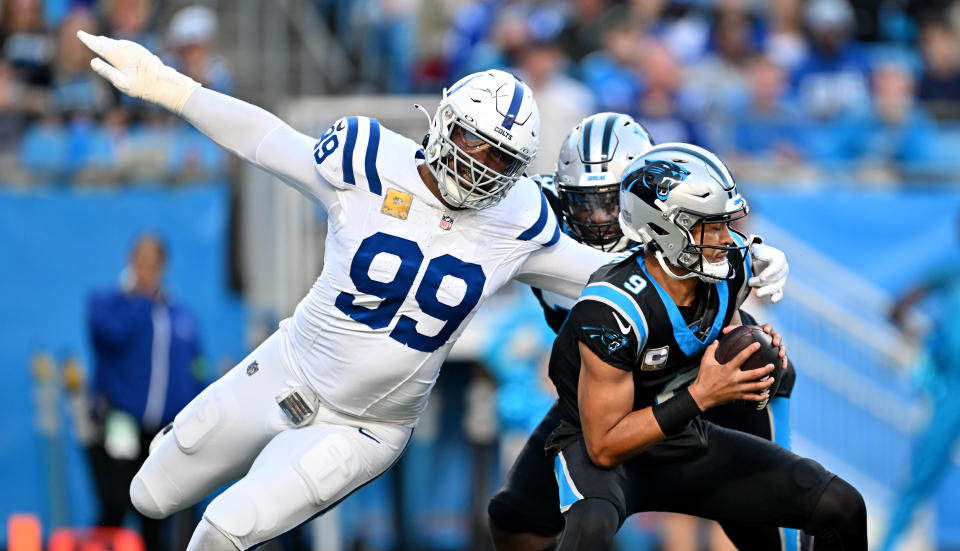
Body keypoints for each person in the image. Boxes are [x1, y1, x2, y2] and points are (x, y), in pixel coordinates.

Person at [76, 30, 627, 551]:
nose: (480, 166)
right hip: (287, 368)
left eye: (500, 159)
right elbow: (266, 140)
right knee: (149, 494)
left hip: (366, 426)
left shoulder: (520, 219)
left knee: (227, 526)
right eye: (472, 142)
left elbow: (614, 277)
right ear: (442, 123)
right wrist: (172, 87)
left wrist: (694, 251)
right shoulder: (370, 161)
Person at [488, 114, 799, 551]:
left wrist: (752, 253)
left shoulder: (672, 238)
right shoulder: (537, 215)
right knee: (514, 515)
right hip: (605, 388)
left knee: (762, 510)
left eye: (610, 202)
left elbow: (720, 229)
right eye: (584, 202)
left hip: (692, 376)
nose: (597, 218)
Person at [544, 143, 867, 551]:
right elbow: (605, 446)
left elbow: (716, 338)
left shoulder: (729, 273)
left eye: (725, 224)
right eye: (710, 226)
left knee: (842, 505)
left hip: (684, 440)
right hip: (610, 458)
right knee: (588, 529)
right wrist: (701, 395)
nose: (726, 238)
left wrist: (750, 348)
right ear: (663, 227)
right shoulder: (612, 309)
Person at [86, 234, 205, 551]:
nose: (147, 268)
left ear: (164, 266)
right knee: (115, 500)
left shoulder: (180, 317)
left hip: (162, 431)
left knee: (156, 508)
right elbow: (109, 335)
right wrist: (139, 301)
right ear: (130, 261)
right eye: (141, 260)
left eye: (153, 262)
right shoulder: (108, 304)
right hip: (120, 421)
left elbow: (194, 369)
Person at [878, 232, 960, 551]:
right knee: (922, 473)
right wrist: (925, 340)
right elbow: (897, 307)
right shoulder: (951, 267)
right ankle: (888, 544)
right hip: (951, 388)